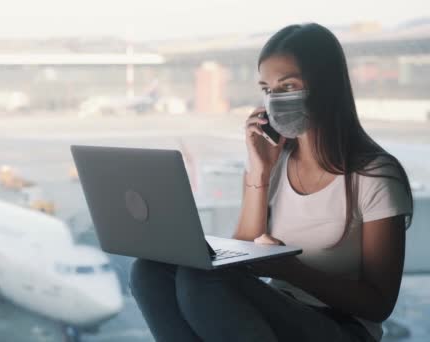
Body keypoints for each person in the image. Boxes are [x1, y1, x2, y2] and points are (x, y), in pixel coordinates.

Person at [129, 23, 413, 342]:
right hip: (281, 309)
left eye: (287, 86)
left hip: (340, 326)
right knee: (149, 273)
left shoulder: (374, 175)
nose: (274, 99)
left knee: (200, 284)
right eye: (267, 89)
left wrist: (288, 269)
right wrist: (260, 172)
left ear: (325, 86)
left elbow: (378, 304)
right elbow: (245, 249)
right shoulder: (274, 163)